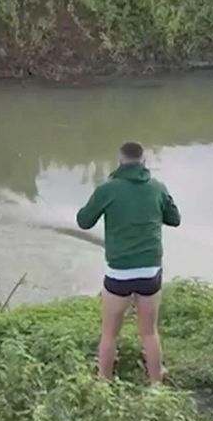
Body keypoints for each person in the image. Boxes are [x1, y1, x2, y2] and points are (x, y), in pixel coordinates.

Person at [76, 142, 181, 384]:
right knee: (149, 332)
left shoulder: (108, 189)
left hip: (119, 272)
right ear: (144, 161)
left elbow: (84, 221)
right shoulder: (157, 187)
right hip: (150, 271)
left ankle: (104, 383)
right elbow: (174, 219)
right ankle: (157, 386)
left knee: (109, 334)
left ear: (120, 160)